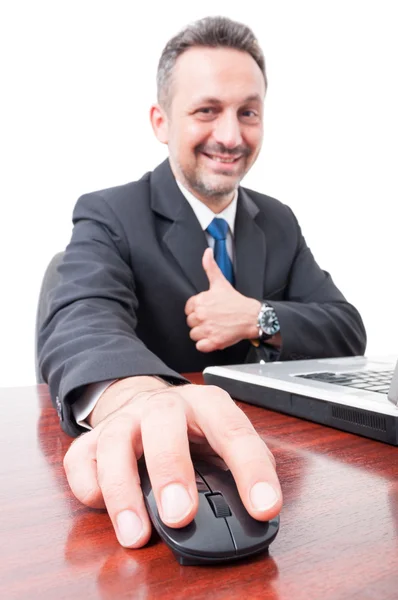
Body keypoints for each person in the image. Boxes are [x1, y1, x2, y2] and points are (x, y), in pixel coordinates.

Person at [38, 16, 366, 550]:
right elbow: (80, 317)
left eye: (248, 112)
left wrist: (257, 317)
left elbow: (347, 329)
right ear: (161, 121)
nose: (231, 136)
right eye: (207, 111)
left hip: (276, 455)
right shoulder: (110, 213)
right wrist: (137, 397)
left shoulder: (278, 221)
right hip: (170, 466)